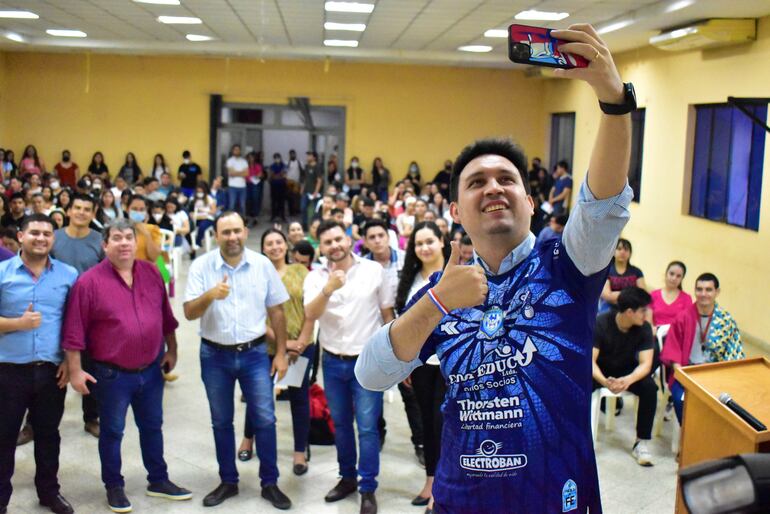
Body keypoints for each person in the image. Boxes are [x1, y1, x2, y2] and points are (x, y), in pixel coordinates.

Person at [356, 24, 636, 513]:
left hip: (556, 498)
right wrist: (438, 301)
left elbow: (603, 203)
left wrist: (613, 102)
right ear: (457, 213)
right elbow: (371, 373)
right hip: (461, 499)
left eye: (507, 179)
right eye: (476, 182)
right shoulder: (445, 292)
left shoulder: (567, 263)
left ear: (529, 201)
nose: (493, 188)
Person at [63, 218, 191, 512]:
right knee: (112, 431)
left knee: (152, 427)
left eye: (129, 238)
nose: (124, 243)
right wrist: (74, 370)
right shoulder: (89, 283)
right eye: (117, 238)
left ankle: (158, 479)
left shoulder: (150, 272)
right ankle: (114, 486)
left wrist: (172, 347)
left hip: (151, 369)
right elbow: (74, 331)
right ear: (104, 244)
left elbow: (165, 315)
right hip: (111, 374)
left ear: (136, 242)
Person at [183, 212, 292, 510]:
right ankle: (228, 481)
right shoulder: (201, 266)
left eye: (236, 231)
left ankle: (270, 482)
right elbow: (190, 312)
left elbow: (277, 312)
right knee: (221, 421)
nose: (232, 237)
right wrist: (210, 295)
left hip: (255, 353)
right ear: (216, 235)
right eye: (225, 232)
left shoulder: (262, 265)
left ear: (245, 232)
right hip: (214, 355)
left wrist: (281, 353)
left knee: (266, 419)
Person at [303, 220, 395, 514]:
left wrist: (396, 357)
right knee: (340, 425)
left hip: (368, 362)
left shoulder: (373, 271)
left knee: (367, 428)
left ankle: (368, 487)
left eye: (338, 239)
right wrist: (328, 289)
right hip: (332, 361)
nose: (335, 246)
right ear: (322, 247)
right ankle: (347, 478)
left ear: (349, 238)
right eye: (328, 242)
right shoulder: (316, 277)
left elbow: (386, 314)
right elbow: (310, 314)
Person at [0, 214, 78, 514]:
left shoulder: (68, 275)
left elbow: (75, 323)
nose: (41, 238)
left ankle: (49, 492)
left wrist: (69, 361)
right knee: (4, 436)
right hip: (8, 370)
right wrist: (18, 323)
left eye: (47, 233)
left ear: (53, 239)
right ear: (20, 236)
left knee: (48, 435)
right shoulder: (3, 273)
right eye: (34, 232)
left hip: (51, 372)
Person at [238, 229, 316, 478]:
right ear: (262, 248)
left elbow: (311, 310)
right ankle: (248, 439)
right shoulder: (254, 274)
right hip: (264, 345)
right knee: (258, 395)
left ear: (287, 246)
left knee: (298, 396)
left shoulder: (301, 272)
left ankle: (298, 451)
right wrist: (283, 341)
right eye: (268, 243)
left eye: (278, 242)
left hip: (299, 347)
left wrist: (300, 342)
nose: (274, 247)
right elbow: (252, 314)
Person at [395, 221, 450, 512]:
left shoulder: (456, 275)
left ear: (442, 241)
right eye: (419, 244)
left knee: (444, 425)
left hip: (450, 363)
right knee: (427, 424)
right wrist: (405, 364)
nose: (424, 248)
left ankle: (442, 489)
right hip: (419, 364)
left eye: (430, 241)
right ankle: (430, 481)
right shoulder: (410, 279)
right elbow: (403, 324)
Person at [51, 193, 104, 438]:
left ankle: (91, 417)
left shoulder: (99, 239)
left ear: (93, 214)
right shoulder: (55, 238)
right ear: (69, 210)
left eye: (87, 209)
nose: (81, 212)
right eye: (77, 207)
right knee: (52, 367)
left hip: (90, 313)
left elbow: (107, 274)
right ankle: (35, 421)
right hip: (56, 308)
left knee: (90, 364)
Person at [660, 273, 745, 424]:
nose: (703, 294)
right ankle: (688, 441)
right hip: (687, 374)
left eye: (708, 290)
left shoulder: (726, 321)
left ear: (717, 292)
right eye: (699, 289)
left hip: (715, 376)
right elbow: (673, 353)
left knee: (729, 406)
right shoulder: (683, 318)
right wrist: (684, 377)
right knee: (681, 401)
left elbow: (734, 355)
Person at [592, 287, 658, 466]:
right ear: (630, 312)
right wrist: (605, 381)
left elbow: (646, 364)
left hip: (628, 373)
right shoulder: (601, 323)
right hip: (602, 371)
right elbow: (590, 362)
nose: (647, 314)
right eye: (643, 310)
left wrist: (627, 380)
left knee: (650, 388)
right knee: (581, 384)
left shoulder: (644, 328)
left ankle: (641, 442)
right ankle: (580, 437)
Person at [600, 238, 646, 311]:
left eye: (626, 249)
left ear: (630, 253)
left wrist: (615, 295)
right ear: (613, 252)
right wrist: (631, 294)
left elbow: (642, 294)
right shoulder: (606, 271)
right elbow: (607, 295)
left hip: (631, 308)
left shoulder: (637, 272)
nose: (622, 252)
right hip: (609, 307)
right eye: (619, 249)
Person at [649, 261, 692, 329]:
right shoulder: (653, 295)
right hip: (655, 337)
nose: (674, 278)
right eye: (671, 274)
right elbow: (648, 323)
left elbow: (687, 325)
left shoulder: (686, 298)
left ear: (682, 279)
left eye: (678, 276)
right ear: (666, 274)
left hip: (677, 337)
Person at [126, 195, 162, 262]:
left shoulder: (153, 229)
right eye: (134, 209)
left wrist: (147, 234)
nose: (138, 212)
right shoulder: (120, 229)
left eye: (142, 209)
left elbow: (155, 257)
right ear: (127, 210)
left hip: (144, 269)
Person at [300, 151, 322, 230]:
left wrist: (316, 192)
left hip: (315, 192)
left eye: (309, 155)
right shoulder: (306, 166)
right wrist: (302, 189)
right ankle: (304, 224)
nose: (307, 157)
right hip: (306, 191)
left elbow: (319, 180)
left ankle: (316, 225)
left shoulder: (318, 167)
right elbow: (305, 179)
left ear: (314, 157)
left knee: (317, 210)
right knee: (303, 208)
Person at [226, 144, 248, 215]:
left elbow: (246, 174)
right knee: (232, 205)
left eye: (238, 150)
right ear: (232, 151)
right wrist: (241, 172)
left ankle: (242, 222)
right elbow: (231, 173)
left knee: (242, 206)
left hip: (242, 187)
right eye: (235, 150)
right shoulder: (229, 161)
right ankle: (230, 222)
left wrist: (235, 172)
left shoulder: (244, 161)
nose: (237, 151)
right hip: (232, 186)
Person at [246, 151, 264, 226]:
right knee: (248, 200)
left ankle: (255, 216)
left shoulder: (257, 165)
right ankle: (248, 216)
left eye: (252, 157)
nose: (251, 159)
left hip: (255, 184)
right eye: (249, 158)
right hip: (247, 184)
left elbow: (260, 174)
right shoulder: (246, 166)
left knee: (255, 199)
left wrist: (257, 176)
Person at [269, 153, 288, 222]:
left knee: (282, 201)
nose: (277, 159)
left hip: (282, 186)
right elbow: (271, 175)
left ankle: (282, 216)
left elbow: (284, 175)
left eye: (278, 158)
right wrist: (279, 175)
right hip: (274, 185)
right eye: (275, 158)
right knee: (274, 201)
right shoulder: (272, 166)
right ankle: (273, 216)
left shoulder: (284, 165)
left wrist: (277, 175)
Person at [286, 149, 302, 216]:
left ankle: (296, 211)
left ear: (295, 154)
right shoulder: (287, 162)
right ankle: (291, 212)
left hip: (296, 182)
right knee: (289, 197)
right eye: (291, 154)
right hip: (289, 182)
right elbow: (285, 170)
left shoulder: (299, 162)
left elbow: (302, 171)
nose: (292, 155)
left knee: (296, 198)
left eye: (293, 154)